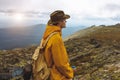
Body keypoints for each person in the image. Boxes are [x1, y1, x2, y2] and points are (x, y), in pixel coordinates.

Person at [42, 10, 74, 80]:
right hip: (56, 76)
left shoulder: (48, 33)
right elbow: (61, 64)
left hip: (48, 72)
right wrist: (70, 74)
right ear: (59, 22)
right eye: (64, 20)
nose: (66, 21)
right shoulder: (56, 38)